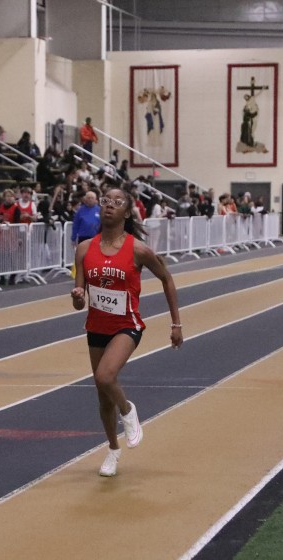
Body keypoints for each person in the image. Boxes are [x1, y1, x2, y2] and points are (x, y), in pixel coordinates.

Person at [70, 188, 182, 477]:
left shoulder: (138, 250)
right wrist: (78, 296)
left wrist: (176, 324)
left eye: (117, 202)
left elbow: (167, 279)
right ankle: (112, 450)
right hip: (96, 326)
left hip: (127, 325)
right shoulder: (84, 249)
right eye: (105, 201)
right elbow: (78, 299)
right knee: (102, 396)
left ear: (127, 212)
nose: (109, 205)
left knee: (105, 376)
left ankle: (128, 411)